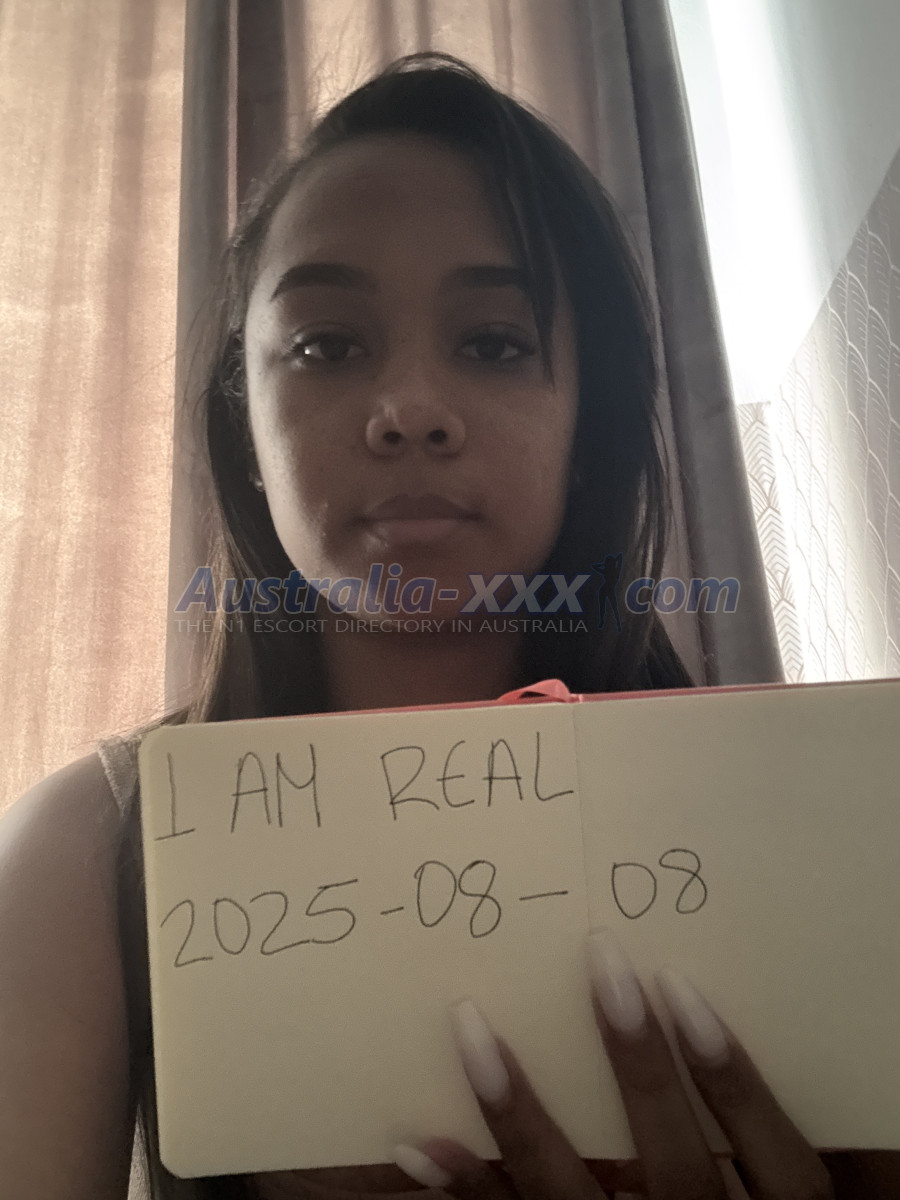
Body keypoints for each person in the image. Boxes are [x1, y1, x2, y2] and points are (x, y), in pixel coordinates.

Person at [2, 50, 896, 1200]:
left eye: (494, 343)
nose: (411, 411)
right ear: (245, 419)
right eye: (326, 345)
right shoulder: (85, 853)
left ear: (587, 420)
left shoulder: (813, 820)